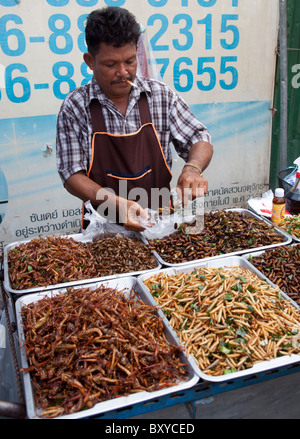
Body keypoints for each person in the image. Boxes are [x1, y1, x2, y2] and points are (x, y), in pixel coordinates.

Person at [56, 6, 213, 231]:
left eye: (130, 61)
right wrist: (113, 203)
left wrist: (193, 168)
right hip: (103, 226)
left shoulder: (160, 95)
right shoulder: (75, 107)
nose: (123, 72)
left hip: (160, 222)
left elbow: (200, 138)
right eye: (111, 65)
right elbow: (71, 174)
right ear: (90, 61)